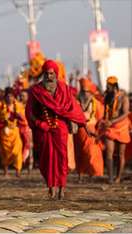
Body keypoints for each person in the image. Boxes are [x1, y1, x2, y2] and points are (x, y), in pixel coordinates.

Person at [25, 60, 86, 198]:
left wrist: (81, 122)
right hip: (44, 130)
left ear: (56, 74)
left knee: (61, 159)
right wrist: (39, 124)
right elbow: (30, 112)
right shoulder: (36, 91)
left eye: (51, 74)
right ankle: (51, 187)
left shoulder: (64, 89)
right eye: (46, 73)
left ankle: (62, 187)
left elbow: (73, 108)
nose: (49, 76)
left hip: (60, 129)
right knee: (46, 160)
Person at [100, 77, 130, 183]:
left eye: (108, 85)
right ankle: (110, 178)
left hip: (121, 127)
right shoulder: (107, 96)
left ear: (114, 86)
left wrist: (112, 121)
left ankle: (118, 177)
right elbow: (105, 112)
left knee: (121, 154)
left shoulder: (124, 97)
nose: (107, 87)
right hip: (110, 128)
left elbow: (125, 113)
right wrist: (104, 121)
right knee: (109, 152)